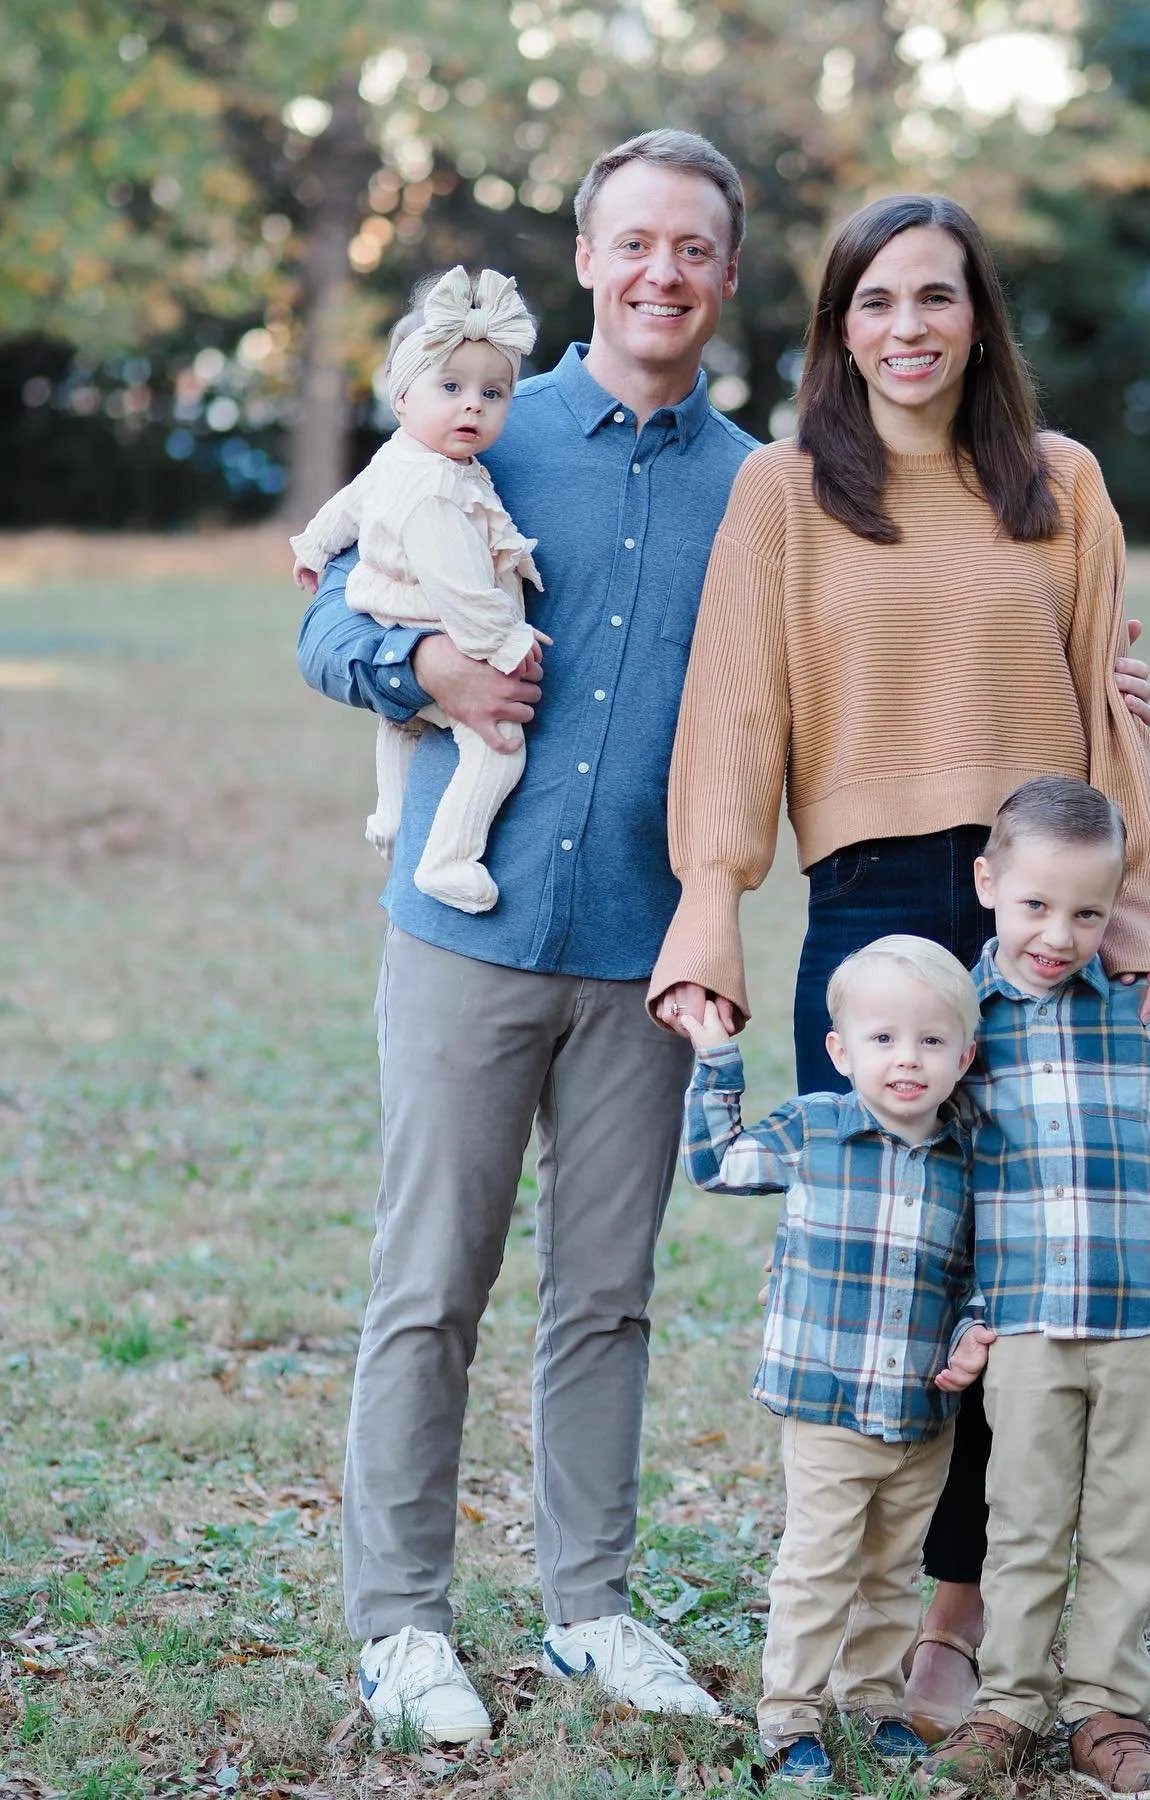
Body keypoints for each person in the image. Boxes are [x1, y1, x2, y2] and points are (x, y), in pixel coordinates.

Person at [649, 192, 1150, 1741]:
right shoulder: (787, 490)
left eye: (937, 298)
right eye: (875, 301)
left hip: (1034, 916)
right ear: (837, 327)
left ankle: (960, 1624)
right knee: (894, 1273)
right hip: (870, 901)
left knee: (1012, 1281)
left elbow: (1107, 718)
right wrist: (710, 903)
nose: (908, 328)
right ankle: (853, 1596)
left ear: (979, 318)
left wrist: (1140, 916)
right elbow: (740, 712)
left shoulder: (1062, 484)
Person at [296, 129, 758, 1744]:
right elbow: (319, 617)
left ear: (724, 273)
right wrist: (417, 674)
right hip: (462, 933)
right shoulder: (481, 419)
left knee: (609, 1297)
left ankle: (592, 1606)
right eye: (634, 242)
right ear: (588, 258)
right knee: (430, 1284)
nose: (661, 273)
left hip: (647, 953)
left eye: (692, 248)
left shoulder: (756, 488)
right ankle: (401, 1622)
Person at [920, 777, 1150, 1794]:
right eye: (1035, 905)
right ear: (987, 884)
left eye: (1089, 912)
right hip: (1024, 1325)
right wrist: (969, 1321)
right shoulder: (959, 1029)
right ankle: (1008, 1704)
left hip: (1146, 1318)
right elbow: (953, 1198)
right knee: (1020, 1521)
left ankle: (1107, 1711)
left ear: (1116, 909)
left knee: (1128, 1520)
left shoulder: (1142, 1016)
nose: (1060, 933)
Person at [680, 936, 994, 1785]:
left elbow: (982, 1269)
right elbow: (717, 1165)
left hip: (922, 1410)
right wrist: (717, 1060)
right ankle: (789, 1715)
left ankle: (873, 1699)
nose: (907, 1060)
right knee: (819, 1566)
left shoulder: (968, 1157)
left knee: (893, 1569)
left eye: (932, 1042)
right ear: (841, 1050)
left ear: (964, 1055)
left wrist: (976, 1331)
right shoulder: (814, 1129)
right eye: (884, 1039)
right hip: (826, 1404)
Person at [291, 266, 544, 913]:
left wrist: (313, 549)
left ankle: (393, 817)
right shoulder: (438, 491)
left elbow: (345, 506)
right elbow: (463, 587)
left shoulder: (402, 455)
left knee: (400, 722)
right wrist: (506, 638)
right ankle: (448, 857)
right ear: (403, 397)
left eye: (493, 394)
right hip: (437, 617)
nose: (473, 405)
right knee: (498, 748)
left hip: (390, 607)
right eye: (452, 387)